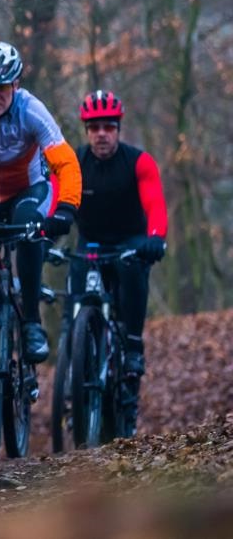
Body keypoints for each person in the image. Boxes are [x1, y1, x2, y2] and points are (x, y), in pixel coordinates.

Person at [0, 41, 82, 426]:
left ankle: (31, 324)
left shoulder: (31, 110)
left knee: (30, 236)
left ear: (15, 85)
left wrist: (66, 208)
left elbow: (65, 162)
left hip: (25, 193)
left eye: (2, 88)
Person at [71, 90, 167, 433]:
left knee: (131, 271)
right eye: (94, 128)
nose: (102, 134)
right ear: (86, 130)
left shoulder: (138, 162)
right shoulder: (75, 162)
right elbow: (56, 200)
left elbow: (155, 204)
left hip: (130, 241)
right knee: (75, 297)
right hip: (90, 242)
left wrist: (155, 237)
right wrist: (46, 230)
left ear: (118, 129)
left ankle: (133, 346)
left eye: (108, 127)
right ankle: (73, 367)